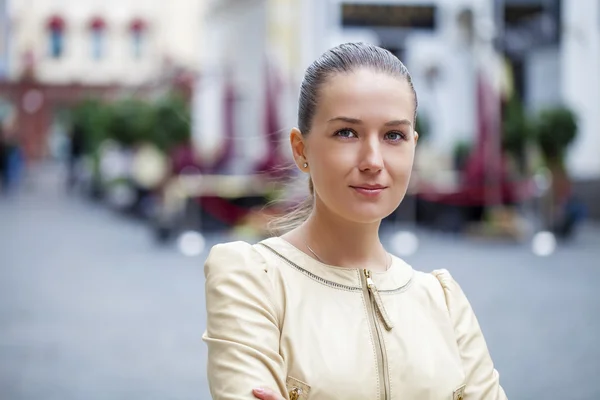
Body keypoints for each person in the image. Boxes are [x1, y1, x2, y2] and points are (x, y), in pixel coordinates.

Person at [202, 42, 507, 400]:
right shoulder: (254, 280)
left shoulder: (443, 301)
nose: (373, 160)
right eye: (347, 132)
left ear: (413, 145)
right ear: (301, 149)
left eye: (394, 135)